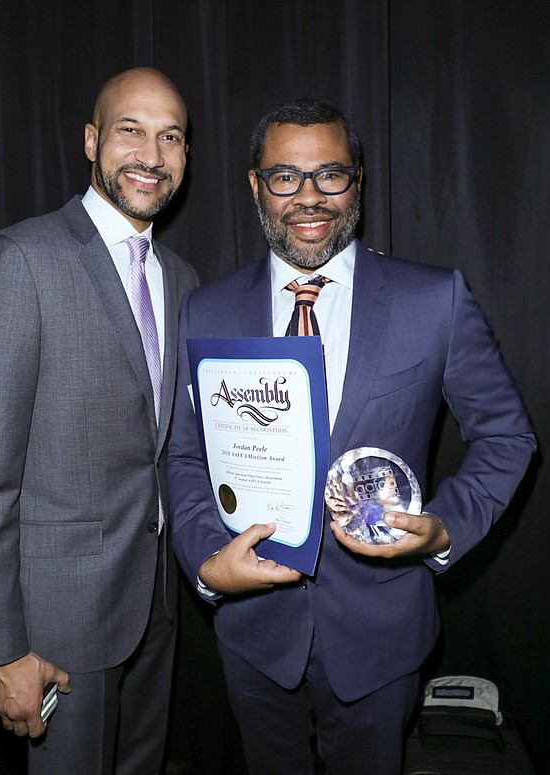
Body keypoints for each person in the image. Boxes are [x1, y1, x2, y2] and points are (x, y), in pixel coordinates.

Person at [166, 99, 536, 775]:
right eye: (285, 176)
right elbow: (186, 454)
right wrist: (204, 561)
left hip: (382, 635)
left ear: (358, 181)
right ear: (255, 185)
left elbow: (508, 437)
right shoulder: (206, 308)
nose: (309, 196)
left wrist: (444, 528)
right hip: (252, 635)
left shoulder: (436, 299)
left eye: (330, 174)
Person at [0, 67, 198, 774]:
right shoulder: (18, 260)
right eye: (131, 130)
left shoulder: (182, 279)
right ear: (91, 141)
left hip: (156, 613)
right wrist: (0, 647)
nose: (152, 154)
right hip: (55, 635)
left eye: (171, 136)